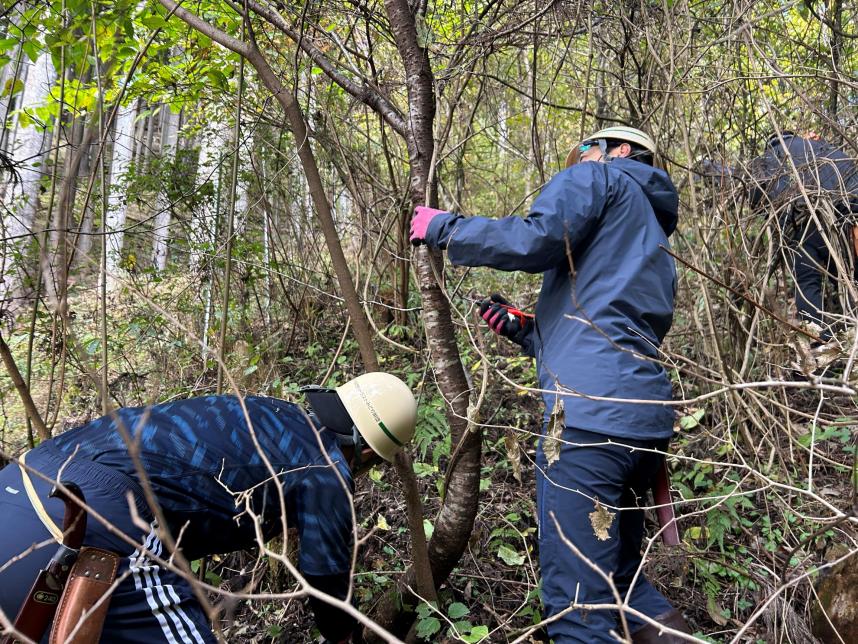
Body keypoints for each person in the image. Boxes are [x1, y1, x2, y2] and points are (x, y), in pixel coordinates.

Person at [411, 126, 689, 642]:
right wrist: (529, 332)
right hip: (642, 422)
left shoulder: (600, 179)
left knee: (579, 609)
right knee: (622, 585)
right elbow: (611, 331)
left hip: (588, 424)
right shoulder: (652, 235)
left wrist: (445, 228)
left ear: (619, 151)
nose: (577, 159)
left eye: (585, 148)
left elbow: (535, 237)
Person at [0, 372, 417, 644]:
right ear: (367, 453)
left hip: (23, 481)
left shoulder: (274, 416)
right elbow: (327, 588)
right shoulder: (326, 469)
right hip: (92, 521)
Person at [748, 132, 858, 341]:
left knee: (807, 281)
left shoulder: (764, 162)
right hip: (841, 216)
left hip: (798, 225)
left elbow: (755, 197)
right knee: (850, 278)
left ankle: (820, 348)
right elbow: (850, 173)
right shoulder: (822, 148)